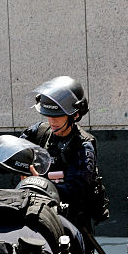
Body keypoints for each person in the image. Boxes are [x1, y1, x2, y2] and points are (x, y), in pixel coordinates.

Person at [20, 76, 106, 234]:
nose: (52, 121)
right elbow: (17, 149)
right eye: (48, 115)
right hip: (37, 212)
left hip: (71, 220)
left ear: (74, 115)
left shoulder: (83, 144)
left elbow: (76, 189)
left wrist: (39, 182)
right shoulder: (39, 131)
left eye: (57, 116)